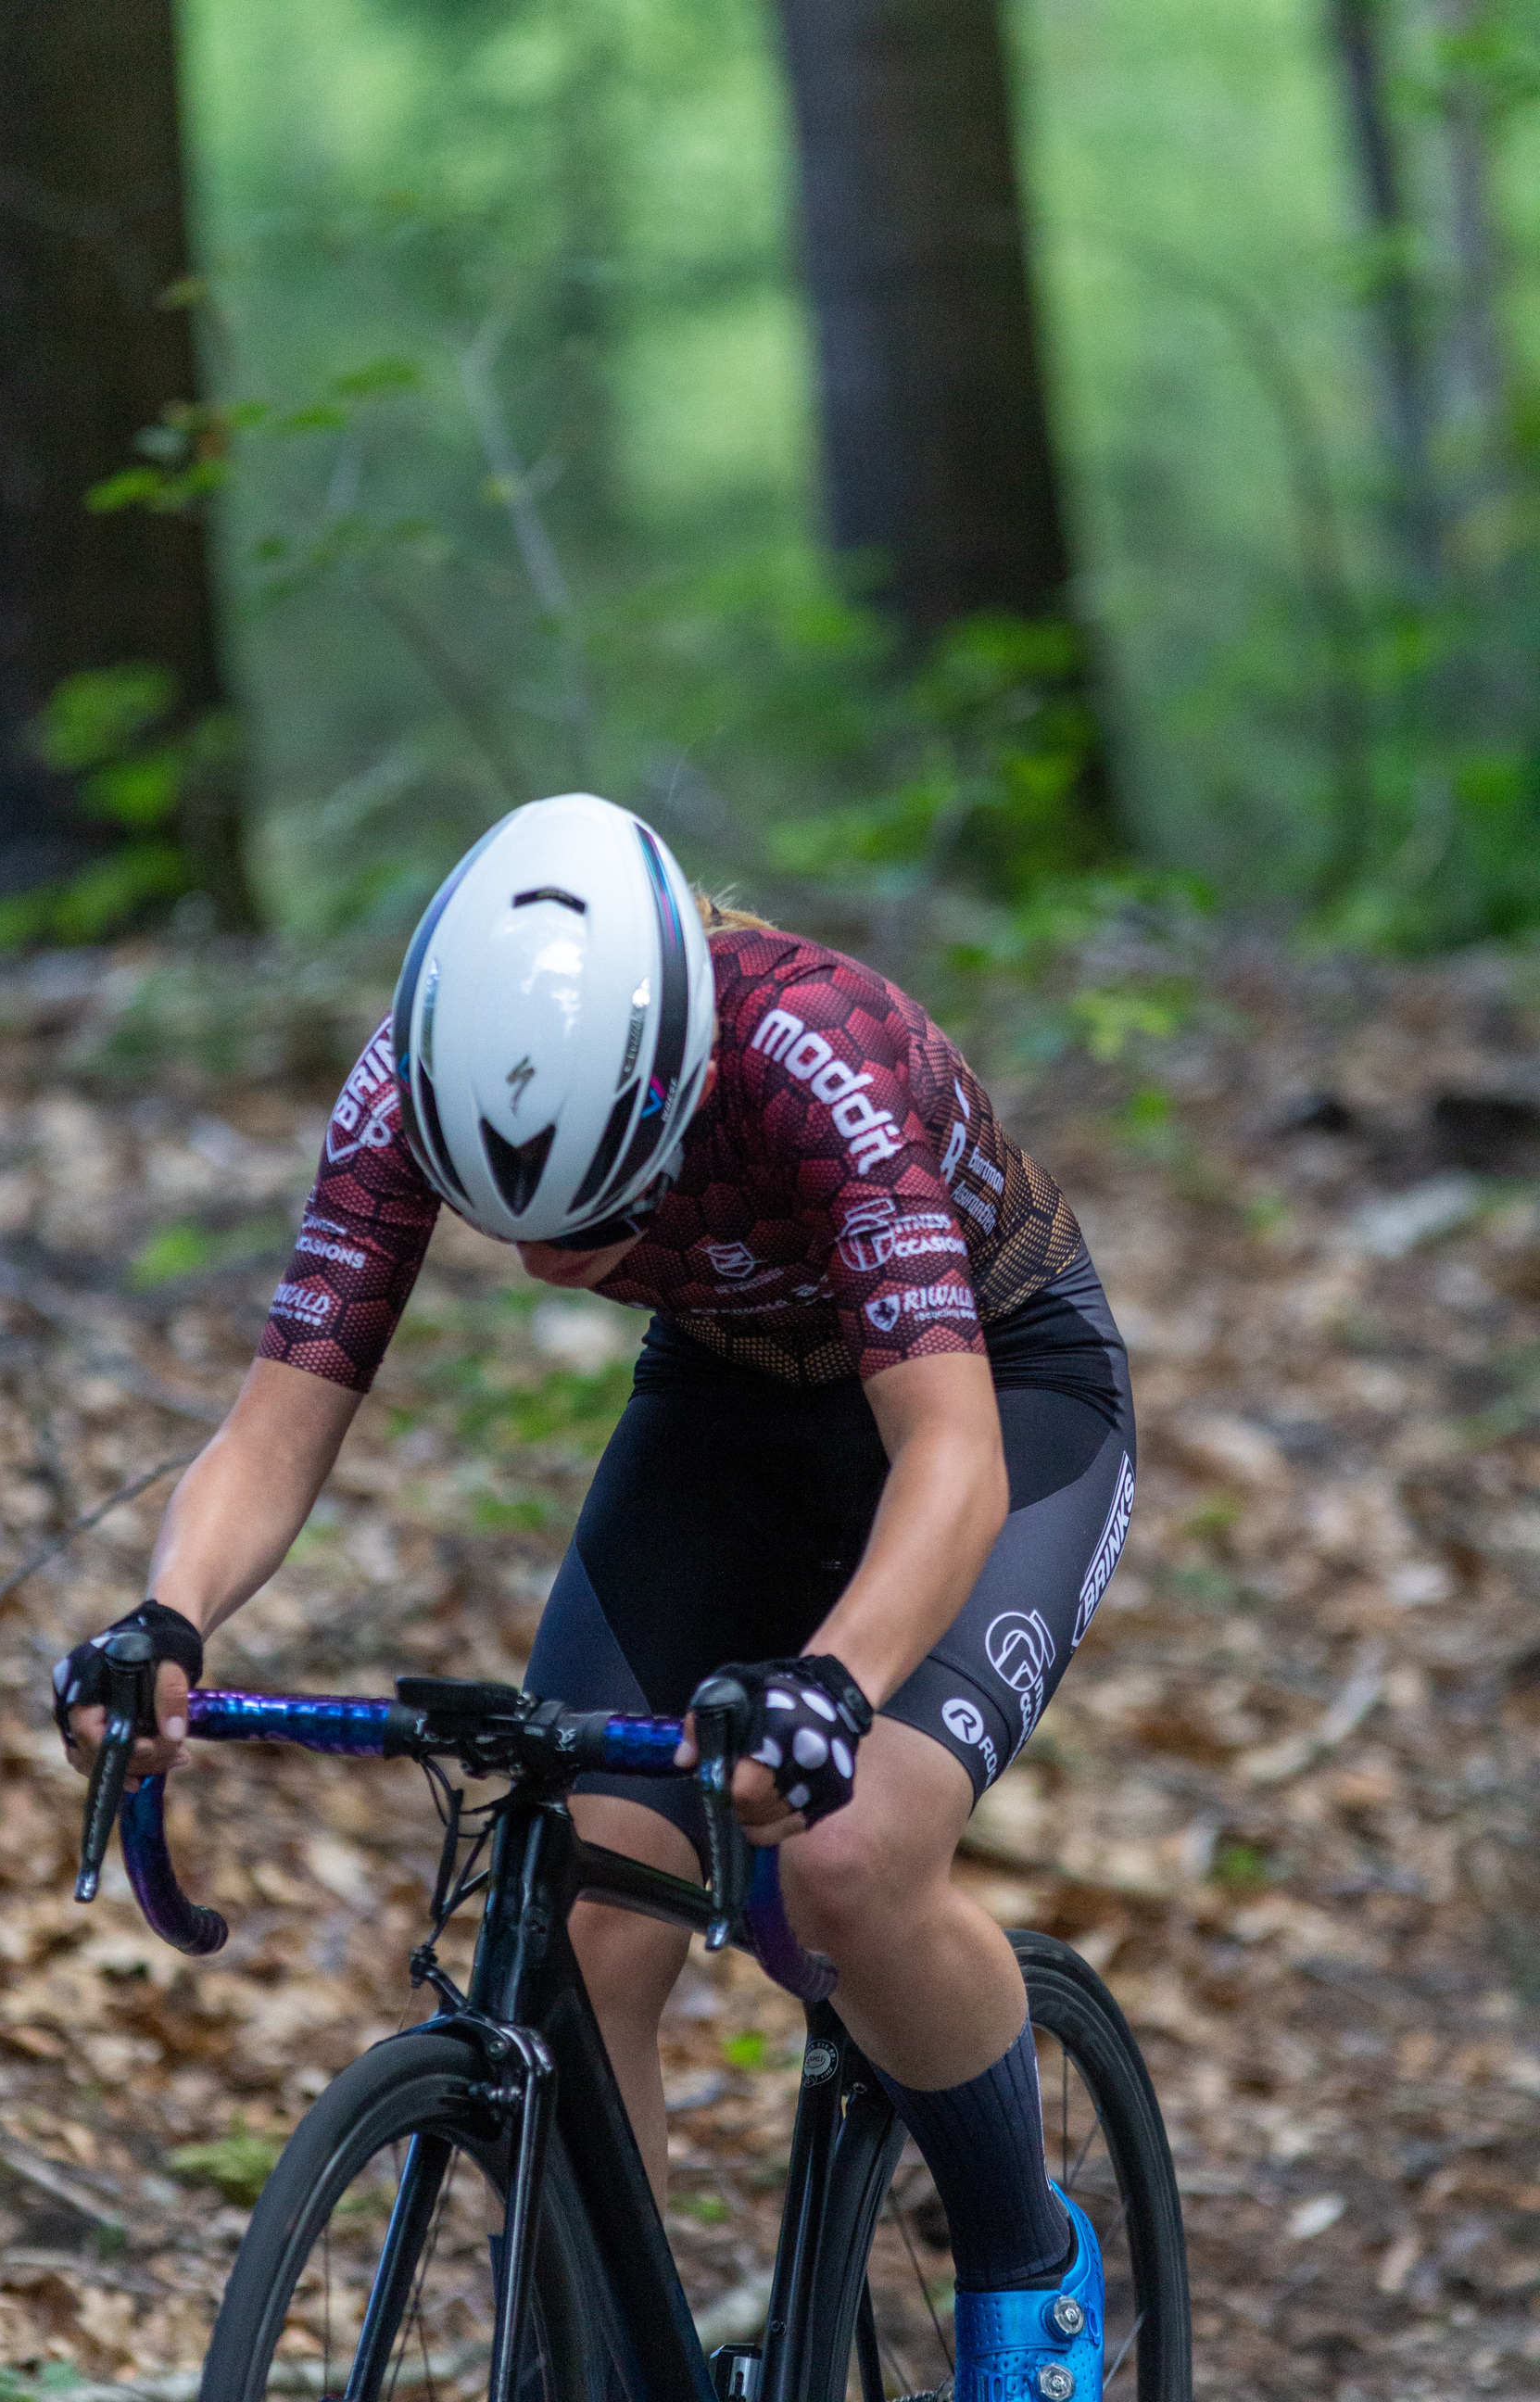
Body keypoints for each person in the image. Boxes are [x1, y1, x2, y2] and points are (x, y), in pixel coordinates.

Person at [58, 794, 1133, 2402]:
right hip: (724, 1410)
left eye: (603, 1212)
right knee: (577, 1909)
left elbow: (952, 1463)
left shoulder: (814, 1055)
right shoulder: (410, 1085)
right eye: (520, 1228)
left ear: (683, 1075)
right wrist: (170, 1621)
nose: (555, 1269)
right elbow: (274, 1425)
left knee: (846, 1856)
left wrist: (832, 1686)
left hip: (999, 1400)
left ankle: (1024, 2268)